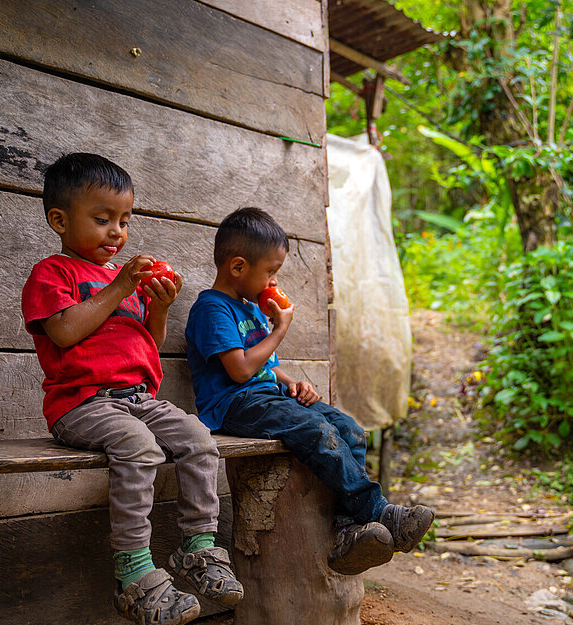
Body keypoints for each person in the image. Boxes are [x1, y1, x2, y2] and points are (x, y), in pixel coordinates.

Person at [21, 153, 241, 625]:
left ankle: (198, 547)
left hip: (138, 398)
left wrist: (157, 308)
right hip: (81, 404)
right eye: (102, 220)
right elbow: (63, 332)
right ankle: (133, 572)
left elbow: (147, 346)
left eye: (123, 220)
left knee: (199, 439)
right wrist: (120, 288)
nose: (117, 232)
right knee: (139, 447)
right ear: (59, 220)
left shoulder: (125, 282)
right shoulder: (52, 273)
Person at [185, 206, 434, 576]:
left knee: (349, 428)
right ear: (238, 267)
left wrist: (291, 382)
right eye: (270, 271)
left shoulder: (248, 307)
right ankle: (378, 512)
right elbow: (239, 371)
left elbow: (263, 365)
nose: (273, 280)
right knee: (317, 430)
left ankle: (348, 531)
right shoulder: (212, 308)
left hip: (266, 396)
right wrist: (279, 330)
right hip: (232, 404)